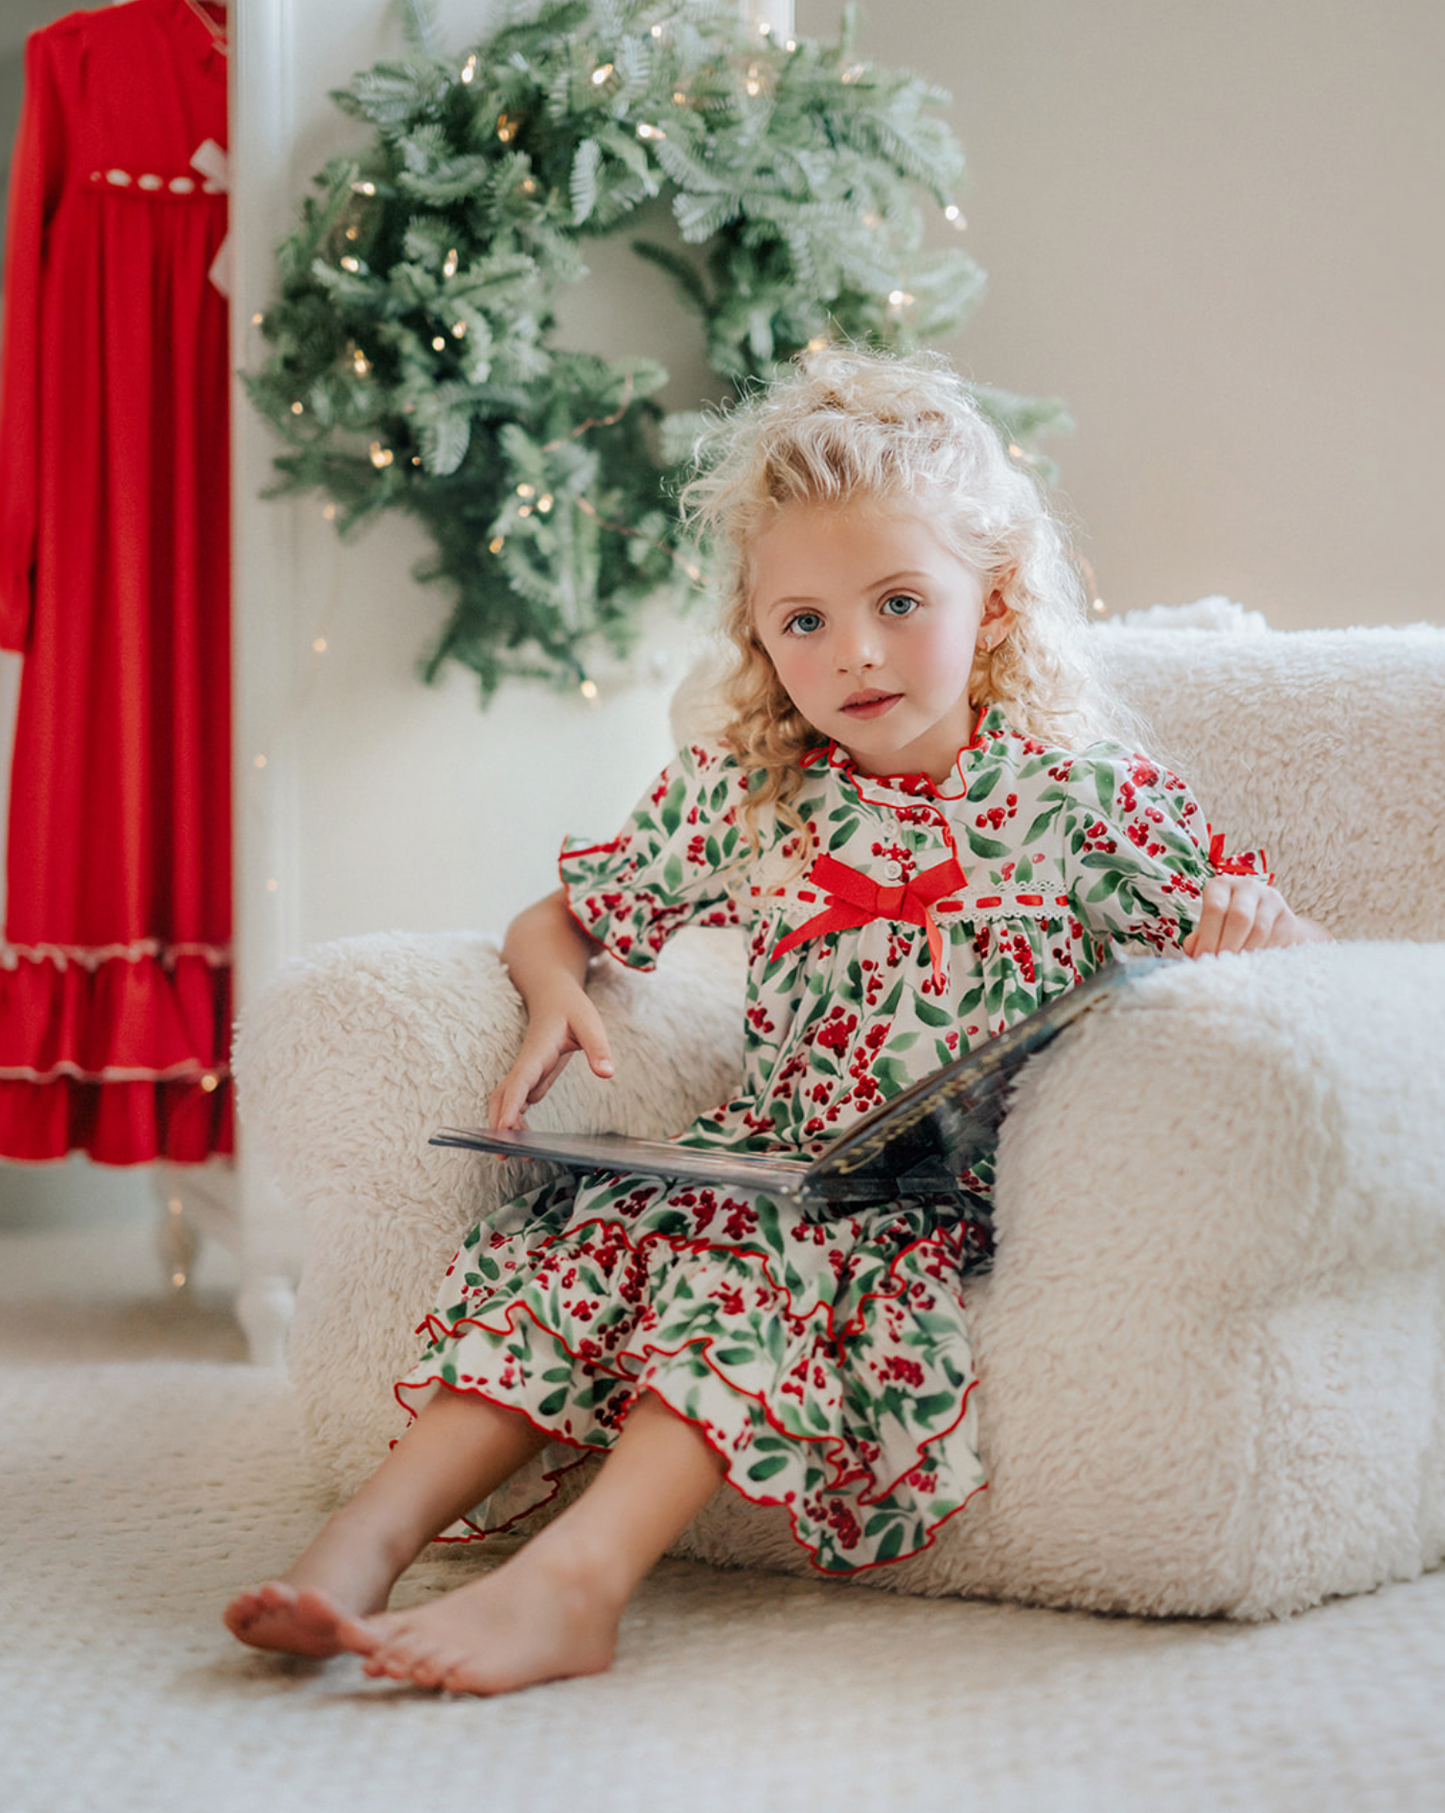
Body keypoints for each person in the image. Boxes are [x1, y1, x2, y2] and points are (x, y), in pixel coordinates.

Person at [224, 350, 1325, 1695]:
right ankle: (359, 1546)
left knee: (755, 1270)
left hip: (928, 1193)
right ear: (758, 637)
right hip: (763, 1152)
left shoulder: (1083, 799)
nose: (850, 650)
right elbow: (561, 914)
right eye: (801, 621)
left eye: (898, 601)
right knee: (571, 1248)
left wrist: (1261, 940)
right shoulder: (752, 796)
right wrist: (558, 980)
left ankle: (573, 1588)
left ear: (992, 608)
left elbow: (1293, 965)